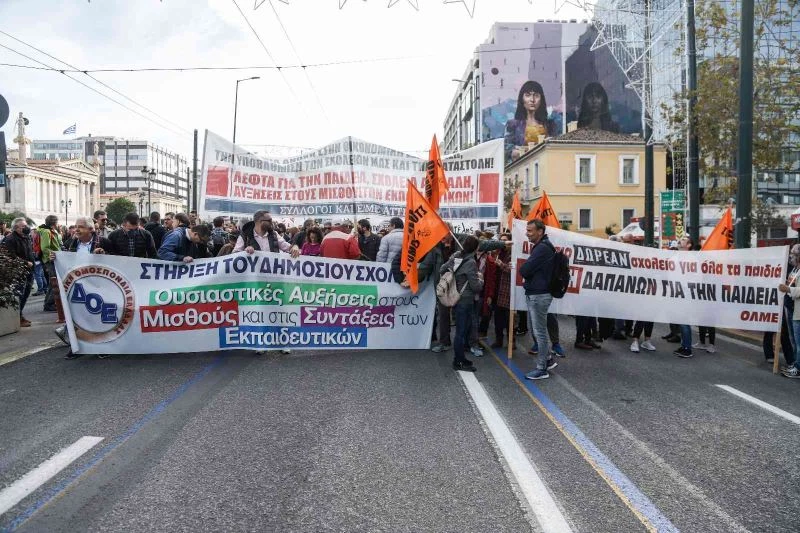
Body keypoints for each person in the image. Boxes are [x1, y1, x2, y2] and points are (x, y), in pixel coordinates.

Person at [519, 219, 558, 380]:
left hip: (539, 294)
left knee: (539, 332)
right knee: (536, 330)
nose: (527, 233)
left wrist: (526, 270)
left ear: (540, 232)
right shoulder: (543, 246)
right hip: (537, 293)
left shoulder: (542, 248)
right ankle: (548, 359)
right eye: (527, 230)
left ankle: (541, 368)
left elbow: (525, 269)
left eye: (530, 231)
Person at [440, 236, 483, 372]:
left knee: (460, 330)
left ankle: (460, 358)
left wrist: (454, 274)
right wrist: (481, 279)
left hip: (456, 297)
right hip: (465, 299)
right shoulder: (470, 262)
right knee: (461, 332)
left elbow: (442, 269)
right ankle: (458, 361)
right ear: (476, 248)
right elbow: (475, 287)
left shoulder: (456, 256)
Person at [504, 80, 556, 162]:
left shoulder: (549, 124)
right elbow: (506, 149)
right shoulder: (513, 124)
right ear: (522, 99)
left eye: (536, 96)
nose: (532, 100)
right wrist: (516, 152)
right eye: (528, 95)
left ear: (541, 99)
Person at [1, 217, 35, 327]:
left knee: (25, 294)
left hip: (29, 270)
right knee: (19, 294)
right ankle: (17, 317)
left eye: (26, 226)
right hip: (18, 272)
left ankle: (19, 315)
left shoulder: (26, 237)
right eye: (23, 226)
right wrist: (25, 263)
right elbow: (10, 256)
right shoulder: (10, 239)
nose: (26, 228)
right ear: (16, 228)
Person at [234, 210, 300, 258]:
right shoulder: (245, 235)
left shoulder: (274, 234)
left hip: (271, 274)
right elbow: (234, 255)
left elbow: (287, 247)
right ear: (259, 222)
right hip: (253, 275)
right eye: (269, 220)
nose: (272, 222)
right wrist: (245, 252)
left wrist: (295, 246)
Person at [778, 247, 800, 378]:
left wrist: (788, 289)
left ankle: (798, 368)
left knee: (798, 341)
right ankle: (796, 363)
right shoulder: (795, 269)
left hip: (797, 310)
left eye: (795, 254)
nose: (792, 256)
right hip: (791, 307)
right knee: (794, 340)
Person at [674, 236, 696, 358]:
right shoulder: (676, 257)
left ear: (688, 245)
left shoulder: (692, 259)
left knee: (684, 322)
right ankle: (684, 345)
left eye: (683, 239)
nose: (680, 240)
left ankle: (687, 348)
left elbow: (696, 278)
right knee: (681, 321)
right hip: (677, 293)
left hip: (685, 295)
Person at [36, 215, 62, 312]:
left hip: (51, 259)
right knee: (54, 282)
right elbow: (45, 247)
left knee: (52, 282)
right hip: (50, 260)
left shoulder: (47, 230)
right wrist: (54, 255)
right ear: (54, 223)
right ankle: (49, 304)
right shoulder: (46, 232)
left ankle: (49, 303)